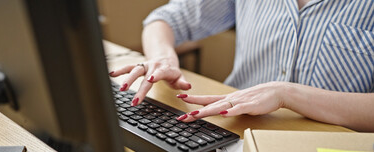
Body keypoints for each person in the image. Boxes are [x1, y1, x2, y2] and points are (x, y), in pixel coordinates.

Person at [110, 0, 374, 132]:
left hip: (332, 150)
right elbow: (165, 18)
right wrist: (163, 57)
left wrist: (286, 94)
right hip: (236, 130)